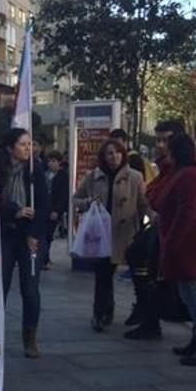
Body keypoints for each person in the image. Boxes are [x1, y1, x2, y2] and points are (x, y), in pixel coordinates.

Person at [152, 133, 196, 366]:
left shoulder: (189, 175)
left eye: (167, 149)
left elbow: (185, 213)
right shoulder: (191, 172)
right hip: (190, 242)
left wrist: (171, 244)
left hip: (188, 244)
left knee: (192, 292)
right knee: (189, 291)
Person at [72, 139, 151, 331]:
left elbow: (144, 203)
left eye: (117, 152)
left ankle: (142, 312)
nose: (114, 157)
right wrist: (88, 202)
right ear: (103, 156)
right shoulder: (93, 177)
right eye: (109, 153)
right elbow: (76, 199)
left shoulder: (135, 177)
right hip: (102, 233)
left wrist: (153, 218)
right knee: (103, 276)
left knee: (139, 275)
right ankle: (101, 312)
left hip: (125, 232)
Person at [0, 128, 48, 358]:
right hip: (4, 234)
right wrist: (15, 211)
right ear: (10, 147)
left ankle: (29, 336)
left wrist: (34, 233)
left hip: (28, 237)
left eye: (30, 144)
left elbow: (43, 205)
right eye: (23, 144)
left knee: (30, 289)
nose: (28, 149)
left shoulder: (35, 169)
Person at [124, 121, 185, 339]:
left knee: (159, 271)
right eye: (158, 139)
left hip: (175, 228)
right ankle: (147, 312)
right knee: (138, 256)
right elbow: (153, 192)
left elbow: (159, 195)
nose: (160, 145)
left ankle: (152, 316)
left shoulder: (182, 164)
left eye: (165, 139)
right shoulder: (165, 164)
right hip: (162, 224)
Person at [44, 151, 69, 269]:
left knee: (49, 235)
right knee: (43, 235)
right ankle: (44, 258)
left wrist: (58, 210)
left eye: (53, 161)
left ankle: (45, 258)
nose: (51, 164)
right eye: (49, 161)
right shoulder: (44, 174)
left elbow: (63, 195)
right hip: (44, 208)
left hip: (54, 209)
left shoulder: (63, 176)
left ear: (59, 163)